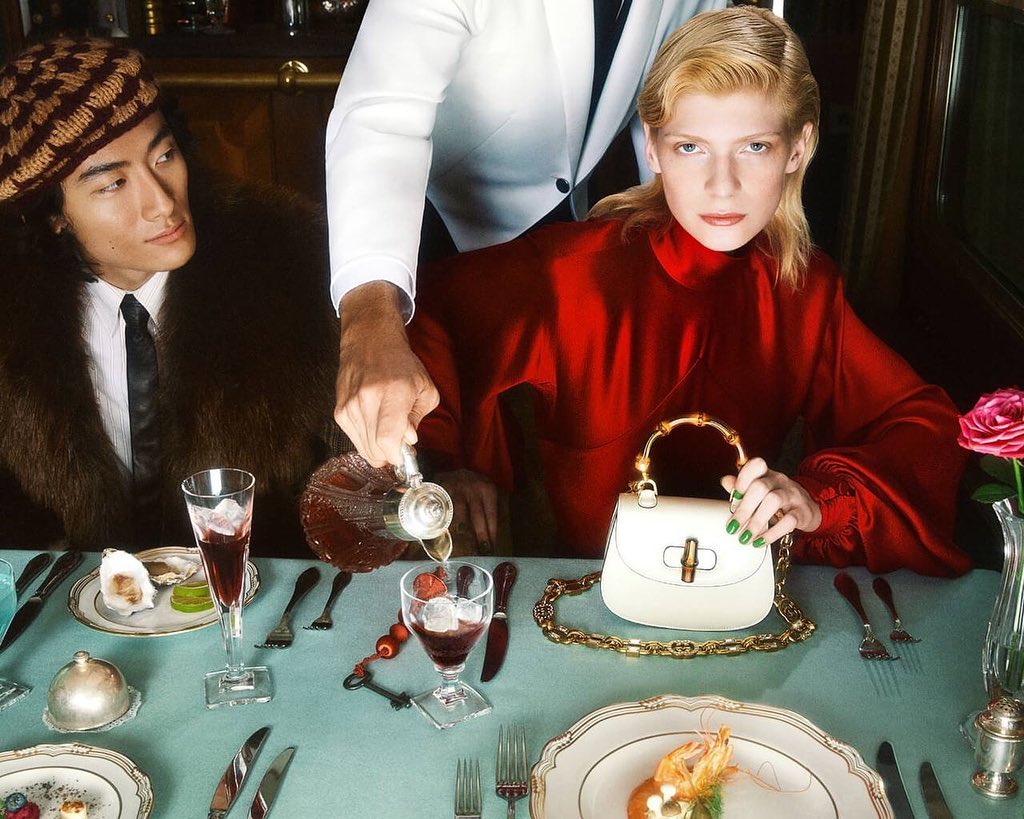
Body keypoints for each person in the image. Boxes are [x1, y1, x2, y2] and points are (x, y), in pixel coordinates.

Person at [407, 7, 971, 576]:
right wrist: (448, 462)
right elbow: (422, 311)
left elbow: (924, 428)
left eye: (754, 147)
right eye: (690, 147)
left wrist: (817, 501)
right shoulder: (570, 272)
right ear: (652, 148)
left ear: (798, 149)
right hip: (588, 589)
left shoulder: (805, 287)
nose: (722, 186)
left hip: (741, 586)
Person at [326, 0, 725, 469]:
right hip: (424, 238)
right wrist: (370, 320)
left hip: (567, 237)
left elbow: (672, 104)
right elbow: (380, 119)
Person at [0, 38, 338, 556]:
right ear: (53, 215)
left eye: (165, 155)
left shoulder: (293, 265)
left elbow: (360, 477)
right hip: (71, 598)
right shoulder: (11, 314)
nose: (162, 202)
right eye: (114, 184)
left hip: (264, 589)